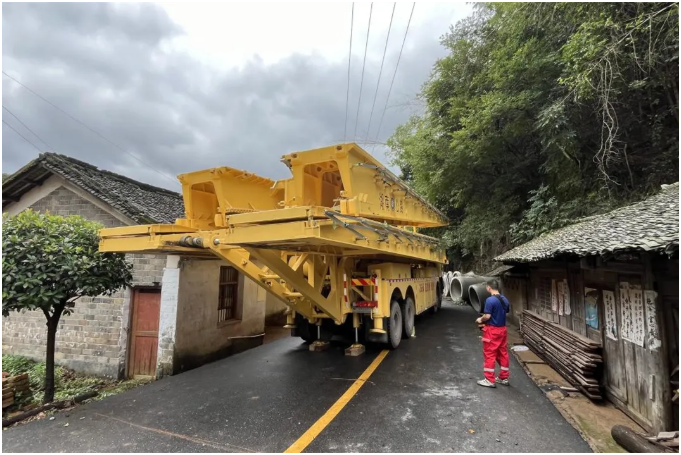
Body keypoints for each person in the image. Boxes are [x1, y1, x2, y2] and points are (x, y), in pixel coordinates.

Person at [475, 279, 510, 388]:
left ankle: (489, 379)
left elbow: (487, 316)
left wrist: (480, 319)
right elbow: (506, 311)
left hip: (492, 331)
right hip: (502, 329)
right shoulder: (505, 300)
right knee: (503, 353)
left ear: (488, 287)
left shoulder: (490, 300)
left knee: (490, 354)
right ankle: (504, 377)